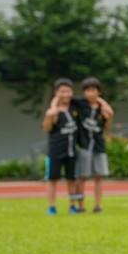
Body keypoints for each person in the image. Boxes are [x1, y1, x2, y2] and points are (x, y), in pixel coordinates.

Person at [74, 77, 114, 213]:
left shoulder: (102, 109)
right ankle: (81, 205)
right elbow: (64, 100)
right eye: (87, 90)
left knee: (99, 176)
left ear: (99, 91)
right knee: (82, 176)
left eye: (93, 90)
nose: (90, 93)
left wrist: (108, 114)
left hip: (99, 146)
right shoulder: (80, 104)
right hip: (84, 145)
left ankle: (98, 205)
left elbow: (106, 126)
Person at [42, 78, 82, 215]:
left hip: (71, 151)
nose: (65, 94)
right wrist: (50, 114)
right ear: (56, 93)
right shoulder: (53, 111)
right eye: (62, 91)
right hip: (55, 151)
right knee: (52, 180)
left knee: (72, 180)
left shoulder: (75, 108)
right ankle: (51, 207)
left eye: (68, 91)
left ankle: (72, 206)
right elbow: (46, 128)